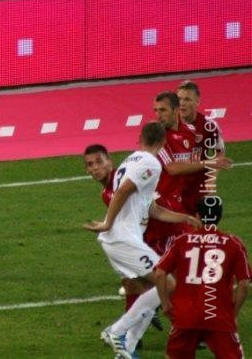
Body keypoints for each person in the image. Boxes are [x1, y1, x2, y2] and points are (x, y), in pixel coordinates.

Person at [83, 122, 202, 357]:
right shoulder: (151, 163)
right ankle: (116, 332)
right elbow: (123, 191)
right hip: (122, 239)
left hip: (119, 240)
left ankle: (126, 348)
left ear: (140, 138)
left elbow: (152, 208)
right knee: (167, 283)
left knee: (153, 289)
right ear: (163, 142)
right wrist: (107, 223)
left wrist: (184, 217)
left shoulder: (130, 161)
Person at [153, 196, 250, 359]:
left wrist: (165, 304)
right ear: (219, 216)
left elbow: (160, 273)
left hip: (185, 315)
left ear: (197, 215)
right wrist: (234, 312)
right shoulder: (233, 243)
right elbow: (244, 284)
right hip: (219, 316)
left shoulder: (181, 241)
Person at [145, 92, 232, 255]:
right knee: (173, 254)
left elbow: (197, 165)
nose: (158, 115)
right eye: (155, 110)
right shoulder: (158, 137)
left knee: (193, 251)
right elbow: (172, 168)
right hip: (165, 205)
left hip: (188, 203)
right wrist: (208, 163)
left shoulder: (192, 133)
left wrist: (204, 192)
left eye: (162, 110)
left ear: (176, 109)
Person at [177, 80, 226, 213]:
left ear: (197, 102)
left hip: (197, 188)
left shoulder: (208, 126)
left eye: (187, 99)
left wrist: (211, 179)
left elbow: (219, 153)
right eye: (179, 99)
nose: (182, 103)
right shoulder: (168, 126)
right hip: (173, 187)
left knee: (199, 223)